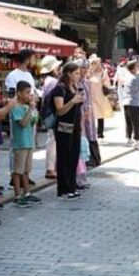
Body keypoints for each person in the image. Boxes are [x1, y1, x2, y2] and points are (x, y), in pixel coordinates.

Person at [51, 62, 85, 199]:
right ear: (68, 74)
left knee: (74, 156)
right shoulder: (60, 89)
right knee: (64, 156)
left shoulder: (74, 87)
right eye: (76, 73)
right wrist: (73, 101)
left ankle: (72, 185)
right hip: (63, 126)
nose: (78, 76)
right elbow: (60, 110)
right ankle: (63, 188)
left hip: (75, 126)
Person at [10, 81, 42, 208]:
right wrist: (31, 109)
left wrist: (34, 112)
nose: (29, 95)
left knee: (26, 170)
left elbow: (31, 122)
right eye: (27, 92)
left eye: (30, 93)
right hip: (20, 143)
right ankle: (17, 195)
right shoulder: (16, 107)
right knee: (18, 170)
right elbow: (22, 123)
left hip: (28, 142)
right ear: (19, 93)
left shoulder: (26, 107)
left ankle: (27, 193)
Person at [39, 56, 62, 179]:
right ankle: (50, 168)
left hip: (49, 113)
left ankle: (51, 167)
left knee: (52, 140)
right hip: (53, 113)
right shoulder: (53, 81)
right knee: (53, 141)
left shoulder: (47, 80)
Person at [120, 59, 139, 149]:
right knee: (136, 123)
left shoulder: (127, 75)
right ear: (133, 68)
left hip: (126, 102)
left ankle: (129, 140)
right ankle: (137, 141)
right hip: (134, 103)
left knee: (128, 122)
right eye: (136, 66)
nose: (138, 67)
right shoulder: (135, 78)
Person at [88, 55, 114, 139]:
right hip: (91, 97)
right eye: (93, 63)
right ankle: (91, 132)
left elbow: (108, 85)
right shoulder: (89, 72)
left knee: (100, 115)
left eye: (96, 63)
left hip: (101, 96)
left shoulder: (103, 72)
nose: (95, 65)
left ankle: (100, 133)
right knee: (90, 115)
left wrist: (103, 82)